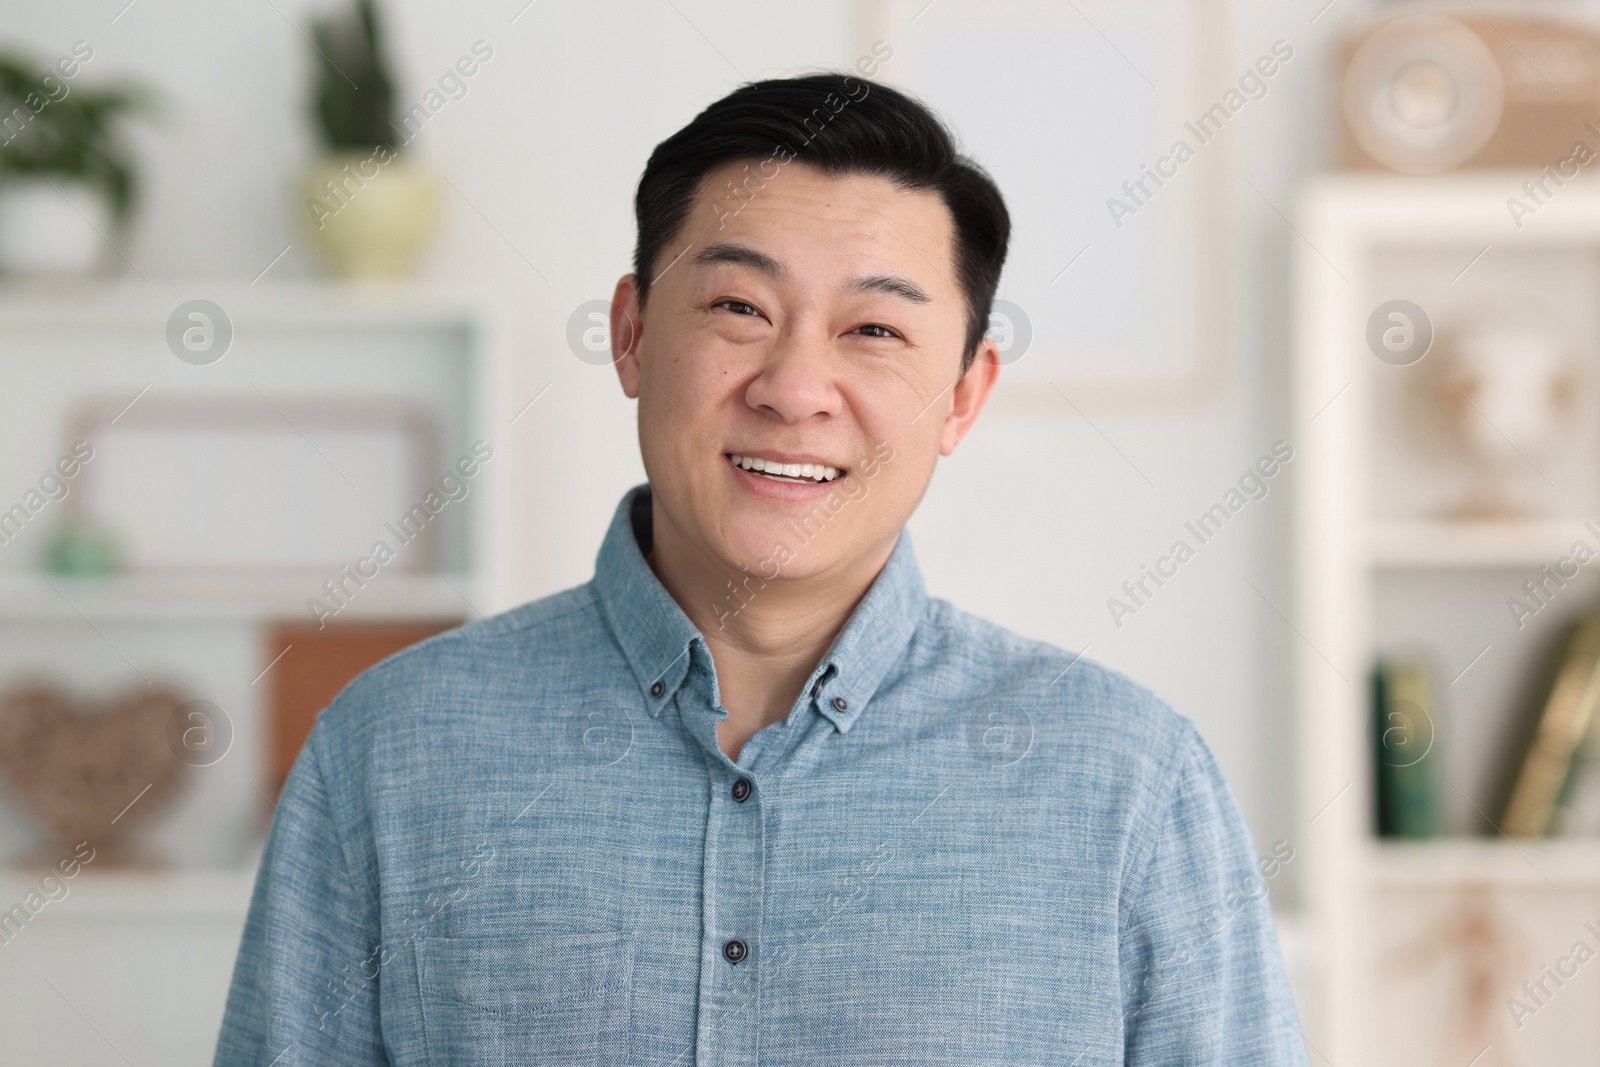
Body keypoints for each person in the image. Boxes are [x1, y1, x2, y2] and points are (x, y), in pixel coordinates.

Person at [213, 71, 1308, 1065]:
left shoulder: (1128, 781)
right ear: (633, 334)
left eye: (873, 329)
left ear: (964, 394)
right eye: (739, 308)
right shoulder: (391, 750)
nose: (794, 388)